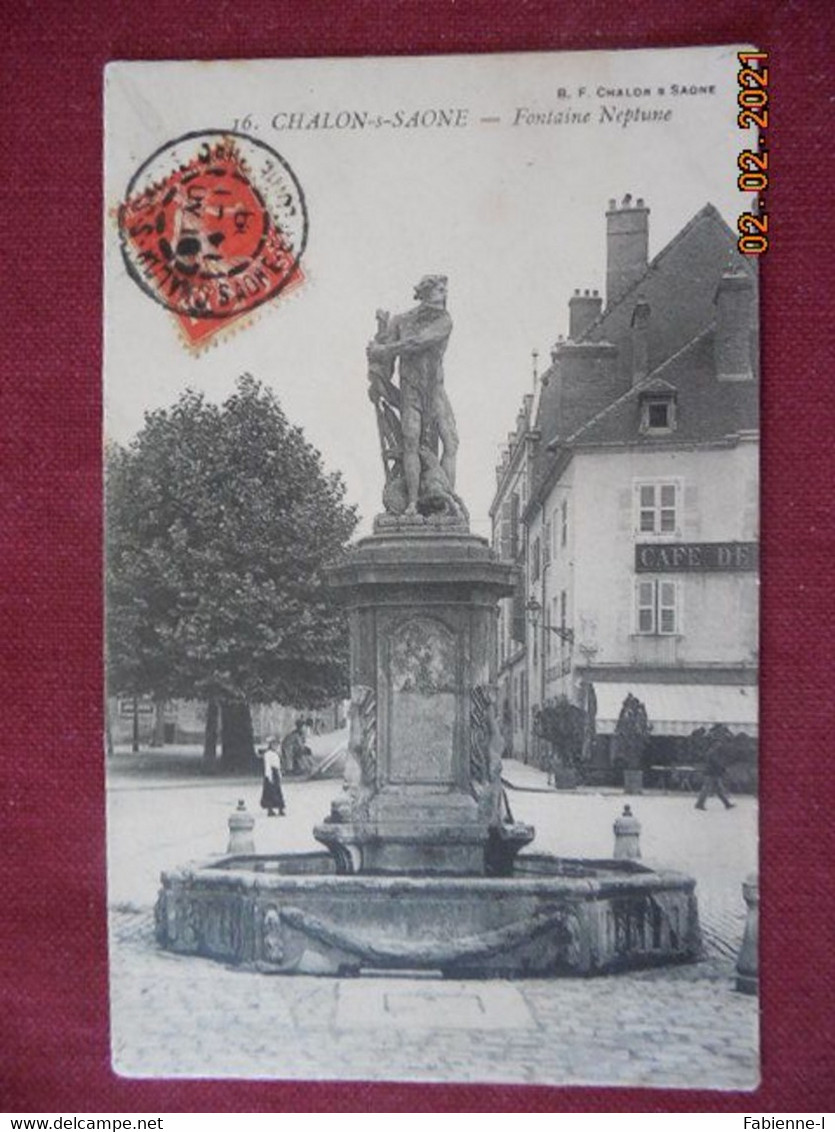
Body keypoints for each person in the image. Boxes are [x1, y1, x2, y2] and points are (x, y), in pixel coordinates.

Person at [366, 274, 459, 515]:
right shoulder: (400, 321)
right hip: (411, 390)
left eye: (444, 290)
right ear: (425, 292)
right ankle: (412, 503)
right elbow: (386, 365)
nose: (444, 294)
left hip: (435, 391)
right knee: (410, 440)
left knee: (450, 442)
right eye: (439, 289)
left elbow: (418, 343)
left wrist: (383, 350)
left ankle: (446, 499)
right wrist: (378, 377)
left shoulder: (444, 321)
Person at [695, 725, 736, 810]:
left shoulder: (715, 742)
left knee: (717, 788)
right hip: (712, 769)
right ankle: (700, 804)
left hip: (713, 769)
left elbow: (710, 755)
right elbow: (711, 756)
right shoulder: (716, 744)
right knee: (707, 787)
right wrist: (721, 766)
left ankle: (726, 804)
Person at [259, 736, 286, 817]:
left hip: (276, 772)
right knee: (270, 792)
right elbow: (267, 765)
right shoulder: (267, 754)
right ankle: (270, 809)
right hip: (271, 773)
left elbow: (278, 766)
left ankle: (280, 808)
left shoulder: (276, 754)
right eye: (274, 745)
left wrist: (280, 774)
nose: (276, 746)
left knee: (278, 791)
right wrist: (268, 776)